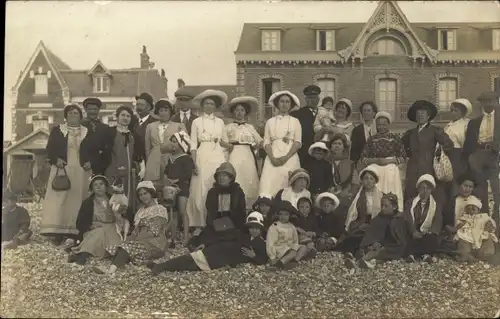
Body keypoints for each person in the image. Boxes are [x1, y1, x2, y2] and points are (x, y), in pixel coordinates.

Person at [40, 104, 93, 246]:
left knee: (77, 198)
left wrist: (91, 162)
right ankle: (57, 232)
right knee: (60, 198)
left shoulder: (87, 131)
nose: (73, 115)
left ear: (80, 116)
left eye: (76, 113)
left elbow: (94, 149)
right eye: (70, 113)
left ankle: (74, 231)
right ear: (66, 116)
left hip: (81, 170)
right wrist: (56, 159)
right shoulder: (58, 130)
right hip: (62, 168)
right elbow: (50, 148)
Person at [149, 211, 268, 274]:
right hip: (216, 250)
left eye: (256, 228)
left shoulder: (260, 243)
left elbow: (263, 260)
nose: (254, 230)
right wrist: (206, 244)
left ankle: (162, 267)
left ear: (261, 229)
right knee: (188, 259)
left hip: (221, 259)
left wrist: (254, 256)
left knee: (189, 265)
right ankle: (161, 266)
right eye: (251, 227)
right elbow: (222, 238)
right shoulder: (241, 235)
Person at [94, 181, 170, 275]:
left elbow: (155, 231)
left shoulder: (159, 209)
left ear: (151, 193)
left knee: (127, 247)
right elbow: (135, 232)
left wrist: (135, 238)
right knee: (117, 247)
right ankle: (139, 262)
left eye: (145, 193)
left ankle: (111, 270)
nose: (143, 196)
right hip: (141, 242)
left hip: (155, 244)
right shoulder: (141, 211)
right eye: (140, 195)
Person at [186, 90, 232, 232]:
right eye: (206, 103)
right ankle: (199, 223)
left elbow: (225, 141)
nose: (209, 106)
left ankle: (218, 222)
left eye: (212, 104)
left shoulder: (220, 122)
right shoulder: (196, 122)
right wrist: (194, 162)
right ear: (202, 105)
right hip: (202, 154)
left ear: (215, 106)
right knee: (200, 188)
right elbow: (193, 143)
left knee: (218, 186)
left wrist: (230, 145)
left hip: (217, 154)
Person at [463, 91, 500, 237]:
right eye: (485, 101)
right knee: (480, 190)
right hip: (477, 155)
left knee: (496, 191)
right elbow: (468, 144)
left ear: (496, 102)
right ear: (481, 104)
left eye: (491, 101)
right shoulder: (474, 122)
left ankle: (496, 227)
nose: (488, 104)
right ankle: (483, 227)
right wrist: (470, 157)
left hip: (494, 155)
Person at [402, 100, 453, 203]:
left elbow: (449, 145)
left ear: (428, 116)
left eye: (423, 113)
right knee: (412, 195)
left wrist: (438, 153)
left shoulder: (436, 131)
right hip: (412, 169)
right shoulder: (410, 133)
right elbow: (402, 149)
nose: (420, 116)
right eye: (418, 113)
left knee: (431, 195)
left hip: (429, 167)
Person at [102, 106, 146, 224]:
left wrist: (141, 168)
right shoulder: (109, 132)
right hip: (112, 170)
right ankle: (113, 224)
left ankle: (128, 224)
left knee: (129, 197)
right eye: (123, 115)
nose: (125, 118)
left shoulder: (134, 135)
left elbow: (139, 154)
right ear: (117, 117)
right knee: (114, 196)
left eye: (128, 116)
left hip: (129, 173)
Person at [344, 193, 409, 269]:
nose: (383, 208)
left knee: (383, 251)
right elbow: (373, 234)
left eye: (386, 206)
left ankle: (360, 262)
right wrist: (372, 243)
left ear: (394, 207)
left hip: (392, 246)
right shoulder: (379, 218)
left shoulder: (399, 219)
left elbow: (398, 239)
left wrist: (381, 244)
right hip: (377, 244)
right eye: (382, 205)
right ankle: (367, 260)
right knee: (359, 239)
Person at [189, 162, 246, 249]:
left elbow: (241, 212)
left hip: (233, 225)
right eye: (220, 175)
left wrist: (230, 224)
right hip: (215, 225)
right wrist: (217, 224)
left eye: (224, 175)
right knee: (208, 236)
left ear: (231, 178)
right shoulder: (213, 192)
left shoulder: (237, 192)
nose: (221, 178)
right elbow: (210, 213)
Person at [69, 175, 122, 267]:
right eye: (95, 185)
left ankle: (83, 254)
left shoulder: (114, 199)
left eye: (101, 184)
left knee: (106, 235)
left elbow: (125, 214)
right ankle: (83, 255)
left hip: (112, 228)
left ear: (106, 187)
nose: (98, 187)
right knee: (98, 233)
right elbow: (79, 223)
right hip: (94, 230)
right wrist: (90, 226)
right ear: (92, 189)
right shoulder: (88, 203)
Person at [259, 91, 302, 198]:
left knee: (288, 184)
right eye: (282, 101)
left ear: (290, 105)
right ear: (277, 104)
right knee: (269, 184)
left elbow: (297, 142)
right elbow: (266, 142)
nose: (284, 104)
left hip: (290, 156)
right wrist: (272, 158)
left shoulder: (295, 121)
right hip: (273, 156)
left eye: (287, 102)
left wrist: (286, 157)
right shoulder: (270, 121)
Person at [360, 111, 406, 210]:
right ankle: (373, 208)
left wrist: (389, 161)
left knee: (391, 173)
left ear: (388, 124)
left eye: (384, 124)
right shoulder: (371, 139)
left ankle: (392, 207)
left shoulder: (395, 138)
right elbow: (363, 158)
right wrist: (377, 161)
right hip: (375, 165)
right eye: (379, 125)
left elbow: (402, 156)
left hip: (390, 165)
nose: (381, 127)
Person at [224, 96, 263, 209]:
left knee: (249, 179)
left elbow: (260, 141)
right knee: (236, 178)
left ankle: (249, 209)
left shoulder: (250, 127)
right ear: (233, 112)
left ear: (245, 112)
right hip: (234, 154)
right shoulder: (228, 127)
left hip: (248, 156)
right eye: (236, 110)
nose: (239, 113)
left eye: (242, 110)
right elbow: (223, 142)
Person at [338, 165, 383, 255]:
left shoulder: (381, 196)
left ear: (375, 181)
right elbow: (352, 214)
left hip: (376, 223)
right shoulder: (357, 196)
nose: (368, 181)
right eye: (366, 178)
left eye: (371, 178)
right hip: (360, 222)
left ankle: (362, 250)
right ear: (362, 181)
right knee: (356, 236)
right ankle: (357, 251)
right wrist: (360, 224)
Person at [144, 99, 186, 183]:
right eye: (161, 110)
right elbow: (147, 148)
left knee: (169, 186)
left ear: (171, 112)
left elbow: (184, 147)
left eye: (166, 110)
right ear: (157, 112)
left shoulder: (179, 126)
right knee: (153, 187)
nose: (163, 113)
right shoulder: (150, 126)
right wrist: (150, 160)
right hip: (153, 161)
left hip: (171, 159)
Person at [164, 131, 195, 245]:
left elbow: (188, 173)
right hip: (171, 188)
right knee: (174, 212)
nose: (172, 144)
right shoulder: (171, 158)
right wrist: (167, 179)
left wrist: (176, 180)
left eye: (175, 142)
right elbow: (167, 171)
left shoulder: (186, 158)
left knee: (182, 211)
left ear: (182, 143)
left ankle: (186, 236)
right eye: (171, 142)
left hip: (182, 187)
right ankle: (173, 237)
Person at [404, 174, 444, 263]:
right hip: (413, 231)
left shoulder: (435, 205)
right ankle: (413, 255)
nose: (425, 191)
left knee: (431, 238)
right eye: (422, 188)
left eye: (428, 189)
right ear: (418, 189)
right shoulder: (410, 203)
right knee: (408, 237)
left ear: (431, 190)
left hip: (427, 232)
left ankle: (424, 254)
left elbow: (438, 219)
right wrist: (413, 231)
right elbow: (408, 217)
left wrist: (432, 231)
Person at [455, 196, 497, 262]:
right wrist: (460, 224)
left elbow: (491, 223)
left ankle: (484, 256)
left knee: (488, 241)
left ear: (478, 210)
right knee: (463, 242)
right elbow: (459, 223)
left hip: (481, 235)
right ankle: (467, 256)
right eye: (468, 209)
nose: (471, 211)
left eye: (473, 209)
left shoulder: (483, 216)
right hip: (468, 235)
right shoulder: (465, 217)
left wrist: (490, 225)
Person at [267, 200, 306, 270]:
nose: (283, 216)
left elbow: (295, 240)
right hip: (280, 250)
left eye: (286, 214)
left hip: (290, 248)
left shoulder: (292, 226)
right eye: (281, 214)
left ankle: (294, 261)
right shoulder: (275, 226)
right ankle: (280, 264)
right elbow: (270, 243)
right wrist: (272, 257)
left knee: (303, 248)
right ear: (278, 215)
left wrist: (294, 247)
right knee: (293, 253)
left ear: (289, 215)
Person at [443, 99, 472, 191]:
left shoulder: (466, 124)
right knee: (447, 178)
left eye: (456, 110)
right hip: (447, 154)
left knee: (457, 179)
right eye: (451, 110)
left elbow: (464, 141)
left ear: (463, 112)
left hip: (459, 154)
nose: (453, 113)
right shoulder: (449, 125)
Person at [290, 85, 321, 168]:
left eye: (314, 98)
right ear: (306, 99)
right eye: (309, 98)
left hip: (320, 152)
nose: (312, 100)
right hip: (304, 152)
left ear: (318, 99)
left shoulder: (323, 113)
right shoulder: (297, 114)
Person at [329, 133, 360, 206]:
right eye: (334, 143)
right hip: (329, 196)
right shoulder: (326, 163)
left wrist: (349, 193)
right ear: (331, 147)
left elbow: (355, 183)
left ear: (344, 147)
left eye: (340, 144)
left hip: (346, 197)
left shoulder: (350, 163)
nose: (337, 146)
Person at [80, 97, 109, 175]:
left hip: (98, 167)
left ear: (99, 110)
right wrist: (83, 162)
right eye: (90, 109)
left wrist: (92, 162)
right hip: (80, 166)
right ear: (85, 110)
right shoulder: (79, 126)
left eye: (95, 109)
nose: (92, 112)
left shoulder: (105, 128)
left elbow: (106, 150)